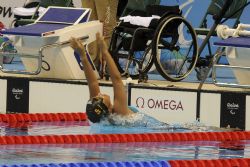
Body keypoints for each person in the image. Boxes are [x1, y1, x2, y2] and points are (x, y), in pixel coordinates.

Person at [70, 33, 168, 127]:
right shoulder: (119, 113)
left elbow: (92, 83)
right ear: (107, 109)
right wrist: (105, 52)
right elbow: (117, 80)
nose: (99, 94)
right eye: (100, 98)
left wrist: (82, 55)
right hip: (151, 127)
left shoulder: (100, 116)